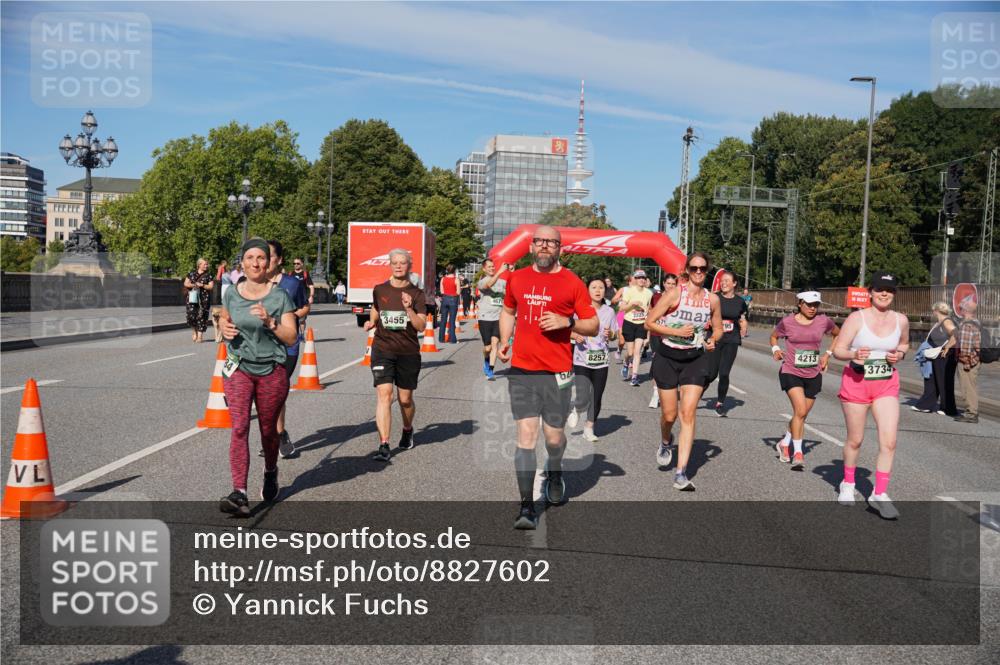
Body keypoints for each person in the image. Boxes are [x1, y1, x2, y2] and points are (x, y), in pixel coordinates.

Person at [498, 225, 598, 529]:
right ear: (531, 247)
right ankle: (527, 506)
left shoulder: (572, 282)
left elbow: (592, 325)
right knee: (526, 438)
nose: (544, 246)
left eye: (551, 242)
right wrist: (504, 340)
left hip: (559, 372)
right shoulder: (517, 278)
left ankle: (555, 470)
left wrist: (567, 321)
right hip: (523, 371)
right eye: (539, 241)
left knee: (554, 438)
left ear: (560, 249)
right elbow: (507, 311)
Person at [217, 239, 298, 516]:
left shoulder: (279, 297)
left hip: (272, 371)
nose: (255, 263)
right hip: (238, 366)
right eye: (250, 257)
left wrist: (271, 322)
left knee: (267, 431)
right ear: (242, 262)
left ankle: (271, 471)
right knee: (239, 427)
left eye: (261, 258)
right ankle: (239, 492)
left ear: (269, 263)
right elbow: (223, 319)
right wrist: (224, 328)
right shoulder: (231, 293)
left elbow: (290, 337)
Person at [831, 272, 909, 520]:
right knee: (856, 440)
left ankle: (880, 492)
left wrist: (900, 355)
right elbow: (838, 350)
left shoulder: (901, 320)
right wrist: (853, 355)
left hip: (886, 384)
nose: (884, 293)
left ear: (894, 294)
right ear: (871, 292)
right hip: (856, 382)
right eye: (879, 289)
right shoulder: (857, 318)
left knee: (889, 441)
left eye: (889, 290)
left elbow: (905, 344)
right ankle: (849, 483)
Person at [645, 252, 723, 491]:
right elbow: (649, 322)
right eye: (694, 268)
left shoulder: (713, 300)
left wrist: (712, 340)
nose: (698, 272)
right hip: (668, 357)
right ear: (687, 270)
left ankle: (681, 473)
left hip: (695, 359)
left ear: (707, 271)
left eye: (702, 269)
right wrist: (676, 332)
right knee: (670, 416)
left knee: (687, 414)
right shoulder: (675, 293)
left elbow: (718, 329)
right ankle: (666, 441)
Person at [366, 248, 428, 461]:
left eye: (403, 263)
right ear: (390, 265)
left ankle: (408, 428)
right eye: (395, 263)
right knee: (385, 395)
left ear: (409, 266)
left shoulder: (418, 294)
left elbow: (421, 326)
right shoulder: (380, 289)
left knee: (405, 399)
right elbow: (376, 307)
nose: (399, 266)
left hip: (408, 352)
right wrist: (372, 321)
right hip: (382, 349)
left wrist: (409, 309)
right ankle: (384, 444)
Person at [252, 240, 310, 460]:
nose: (264, 261)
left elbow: (305, 305)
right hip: (260, 346)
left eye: (270, 256)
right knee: (264, 395)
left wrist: (291, 316)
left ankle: (276, 436)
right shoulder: (251, 283)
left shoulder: (292, 284)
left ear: (279, 260)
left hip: (287, 346)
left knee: (276, 394)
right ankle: (276, 435)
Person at [770, 291, 840, 470]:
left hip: (813, 373)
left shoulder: (824, 321)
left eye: (816, 305)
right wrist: (776, 349)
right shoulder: (788, 322)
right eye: (809, 304)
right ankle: (798, 453)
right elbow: (773, 336)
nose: (812, 308)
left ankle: (784, 443)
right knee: (800, 410)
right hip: (790, 371)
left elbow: (837, 334)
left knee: (801, 415)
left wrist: (828, 354)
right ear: (799, 303)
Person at [567, 277, 618, 442]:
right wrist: (575, 335)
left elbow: (615, 334)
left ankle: (589, 428)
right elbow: (565, 328)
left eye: (601, 287)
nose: (598, 290)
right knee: (582, 396)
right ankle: (576, 408)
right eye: (594, 287)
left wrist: (610, 334)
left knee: (597, 396)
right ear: (587, 290)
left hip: (601, 360)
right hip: (582, 359)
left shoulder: (609, 311)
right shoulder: (578, 310)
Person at [704, 271, 749, 416]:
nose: (723, 283)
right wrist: (707, 321)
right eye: (722, 281)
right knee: (711, 374)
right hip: (715, 338)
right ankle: (697, 392)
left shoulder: (740, 301)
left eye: (727, 281)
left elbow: (742, 317)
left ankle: (720, 403)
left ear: (734, 283)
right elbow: (704, 314)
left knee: (724, 373)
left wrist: (744, 324)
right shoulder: (714, 297)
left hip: (731, 339)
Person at [912, 301, 958, 415]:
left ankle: (948, 408)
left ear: (936, 311)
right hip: (937, 356)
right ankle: (925, 405)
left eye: (933, 310)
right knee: (932, 380)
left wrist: (947, 346)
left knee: (943, 381)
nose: (932, 312)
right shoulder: (939, 322)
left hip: (944, 356)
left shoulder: (946, 322)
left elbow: (956, 333)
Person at [613, 270, 652, 387]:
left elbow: (649, 308)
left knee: (637, 351)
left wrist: (647, 312)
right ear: (634, 279)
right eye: (639, 277)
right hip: (629, 323)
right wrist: (632, 304)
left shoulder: (648, 293)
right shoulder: (629, 291)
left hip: (641, 324)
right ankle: (626, 363)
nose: (641, 280)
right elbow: (621, 309)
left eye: (643, 278)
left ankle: (634, 376)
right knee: (630, 352)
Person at [647, 273, 678, 409]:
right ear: (664, 284)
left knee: (671, 364)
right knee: (657, 363)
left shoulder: (679, 298)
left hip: (672, 335)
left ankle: (667, 391)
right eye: (668, 283)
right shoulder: (656, 297)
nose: (671, 286)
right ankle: (655, 393)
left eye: (673, 284)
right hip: (656, 333)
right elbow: (650, 313)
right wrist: (647, 336)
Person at [477, 258, 508, 380]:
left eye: (493, 266)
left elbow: (510, 291)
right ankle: (486, 359)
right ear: (484, 269)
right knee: (488, 347)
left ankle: (490, 370)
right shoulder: (482, 282)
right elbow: (489, 285)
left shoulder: (502, 282)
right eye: (489, 267)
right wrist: (500, 271)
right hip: (485, 317)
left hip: (498, 317)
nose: (492, 268)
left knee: (495, 344)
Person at [954, 300, 982, 424]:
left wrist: (965, 362)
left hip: (968, 361)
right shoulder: (977, 323)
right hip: (976, 359)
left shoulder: (966, 325)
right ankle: (972, 411)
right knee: (972, 386)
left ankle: (971, 413)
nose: (960, 311)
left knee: (967, 387)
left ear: (965, 311)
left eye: (961, 309)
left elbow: (965, 347)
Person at [184, 258, 215, 343]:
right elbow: (186, 283)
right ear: (199, 265)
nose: (206, 266)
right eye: (205, 264)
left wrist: (202, 285)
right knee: (191, 315)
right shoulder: (191, 273)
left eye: (207, 264)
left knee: (202, 315)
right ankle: (194, 331)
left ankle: (200, 336)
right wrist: (194, 285)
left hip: (204, 298)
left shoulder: (209, 275)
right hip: (192, 297)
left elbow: (211, 286)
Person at [289, 258, 315, 331]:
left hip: (302, 300)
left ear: (302, 264)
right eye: (294, 263)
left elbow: (311, 286)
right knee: (292, 318)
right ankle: (295, 335)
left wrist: (311, 296)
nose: (296, 265)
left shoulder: (305, 274)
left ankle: (302, 335)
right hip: (292, 300)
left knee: (302, 320)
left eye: (298, 263)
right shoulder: (290, 274)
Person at [438, 264, 460, 344]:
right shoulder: (456, 279)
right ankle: (452, 339)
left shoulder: (443, 279)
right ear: (454, 271)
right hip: (453, 299)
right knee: (452, 320)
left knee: (443, 320)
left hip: (445, 299)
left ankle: (441, 338)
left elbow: (442, 291)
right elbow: (458, 292)